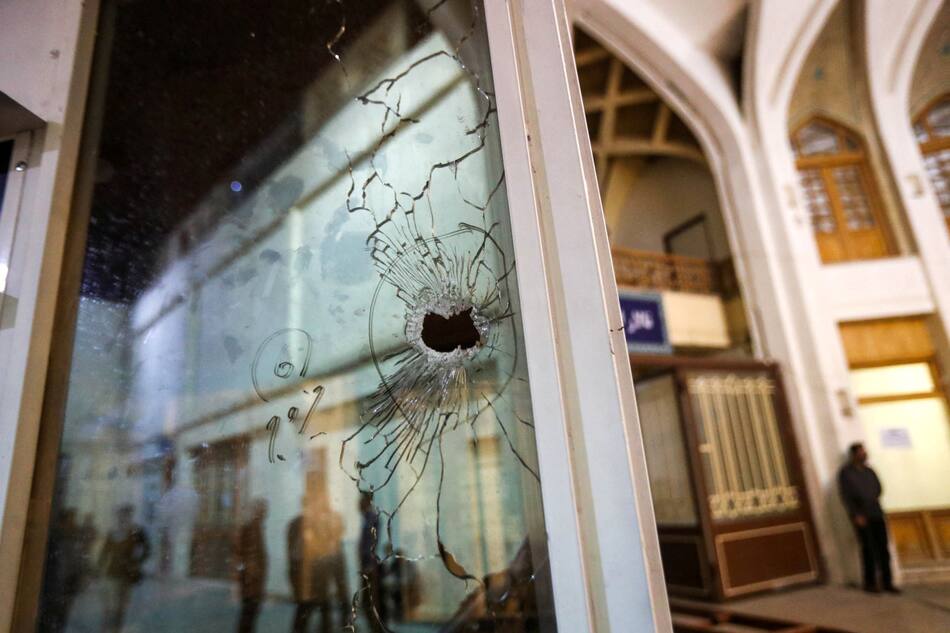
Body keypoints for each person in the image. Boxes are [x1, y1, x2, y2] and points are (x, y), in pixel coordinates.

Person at [838, 442, 899, 594]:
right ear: (854, 454)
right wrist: (856, 514)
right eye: (861, 452)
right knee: (868, 549)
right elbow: (846, 496)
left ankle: (887, 581)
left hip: (876, 513)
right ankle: (870, 582)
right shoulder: (846, 473)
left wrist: (872, 499)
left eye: (865, 451)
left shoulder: (870, 471)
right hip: (861, 516)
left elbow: (879, 488)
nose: (864, 454)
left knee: (883, 548)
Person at [287, 491, 349, 633]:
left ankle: (329, 626)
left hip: (322, 567)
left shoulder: (326, 519)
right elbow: (295, 551)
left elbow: (332, 537)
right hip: (312, 569)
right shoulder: (299, 523)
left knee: (323, 602)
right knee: (311, 603)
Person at [98, 504, 151, 632]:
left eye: (126, 515)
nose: (122, 518)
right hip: (111, 573)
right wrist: (98, 570)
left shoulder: (135, 532)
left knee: (120, 607)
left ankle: (115, 630)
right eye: (120, 515)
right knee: (109, 607)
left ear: (129, 516)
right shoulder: (113, 533)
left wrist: (136, 563)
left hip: (125, 575)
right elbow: (104, 553)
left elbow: (147, 549)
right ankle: (106, 630)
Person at [233, 499, 268, 633]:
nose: (265, 513)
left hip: (252, 583)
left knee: (249, 616)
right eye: (263, 510)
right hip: (252, 583)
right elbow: (243, 555)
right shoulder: (252, 528)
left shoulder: (255, 527)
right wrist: (248, 578)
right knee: (248, 616)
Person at [358, 493, 386, 632]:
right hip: (367, 565)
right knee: (368, 601)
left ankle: (377, 629)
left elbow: (371, 544)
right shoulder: (367, 518)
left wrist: (369, 566)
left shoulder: (371, 518)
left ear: (366, 501)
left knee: (370, 601)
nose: (357, 504)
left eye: (360, 500)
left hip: (370, 566)